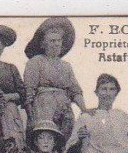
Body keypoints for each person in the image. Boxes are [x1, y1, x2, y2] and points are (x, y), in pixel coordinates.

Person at [23, 17, 87, 145]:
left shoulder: (66, 66)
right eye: (52, 41)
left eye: (59, 41)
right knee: (45, 140)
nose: (56, 44)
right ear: (43, 44)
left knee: (65, 141)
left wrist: (84, 110)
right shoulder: (35, 62)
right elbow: (28, 92)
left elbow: (75, 91)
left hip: (65, 108)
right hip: (43, 108)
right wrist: (32, 118)